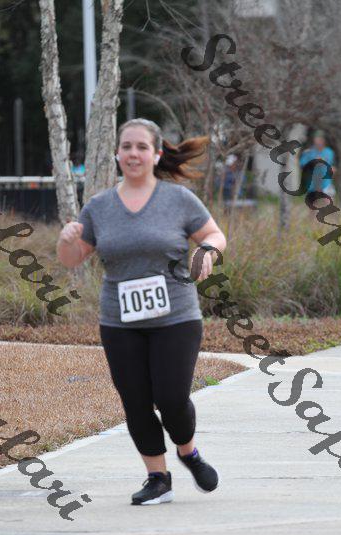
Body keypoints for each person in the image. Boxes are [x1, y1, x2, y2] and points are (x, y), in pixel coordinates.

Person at [57, 118, 227, 506]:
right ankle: (157, 478)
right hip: (120, 321)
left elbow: (214, 234)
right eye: (127, 147)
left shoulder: (178, 199)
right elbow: (72, 258)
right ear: (117, 153)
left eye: (141, 147)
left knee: (171, 398)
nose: (133, 153)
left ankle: (188, 452)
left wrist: (207, 251)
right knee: (135, 401)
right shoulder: (99, 206)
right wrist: (66, 240)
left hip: (176, 317)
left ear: (156, 154)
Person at [299, 130, 336, 197]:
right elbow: (302, 165)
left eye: (320, 139)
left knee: (328, 201)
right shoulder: (308, 152)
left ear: (324, 140)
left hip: (326, 184)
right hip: (312, 184)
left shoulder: (329, 152)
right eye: (317, 139)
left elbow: (333, 167)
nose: (318, 141)